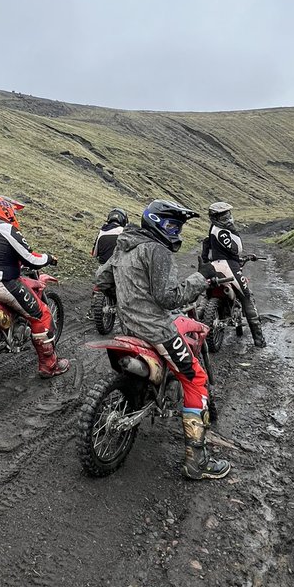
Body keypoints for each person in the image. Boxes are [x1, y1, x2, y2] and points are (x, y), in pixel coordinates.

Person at [95, 200, 230, 481]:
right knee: (195, 378)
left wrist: (130, 292)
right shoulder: (157, 250)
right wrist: (200, 277)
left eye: (178, 226)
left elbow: (103, 279)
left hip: (128, 327)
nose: (176, 231)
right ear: (156, 222)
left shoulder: (125, 245)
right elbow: (170, 298)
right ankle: (198, 463)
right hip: (157, 330)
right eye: (172, 225)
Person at [0, 195, 69, 378]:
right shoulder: (7, 228)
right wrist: (49, 258)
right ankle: (49, 366)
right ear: (5, 209)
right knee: (41, 314)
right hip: (1, 282)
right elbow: (31, 259)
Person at [200, 201, 266, 348]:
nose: (227, 219)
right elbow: (237, 249)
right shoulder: (223, 231)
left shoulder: (212, 229)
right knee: (246, 297)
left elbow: (208, 247)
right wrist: (233, 231)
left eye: (228, 215)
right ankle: (259, 340)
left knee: (206, 295)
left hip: (213, 266)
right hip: (229, 266)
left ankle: (197, 330)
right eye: (223, 216)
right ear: (215, 217)